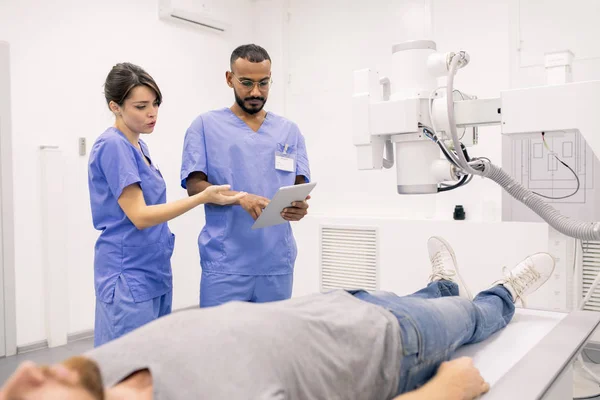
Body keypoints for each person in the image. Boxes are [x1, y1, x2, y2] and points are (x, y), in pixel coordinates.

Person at [0, 236, 555, 400]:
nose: (24, 377)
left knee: (424, 296)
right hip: (389, 345)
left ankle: (439, 282)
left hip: (333, 304)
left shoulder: (90, 373)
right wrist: (448, 391)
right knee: (468, 316)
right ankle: (505, 291)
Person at [88, 62, 246, 347]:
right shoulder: (113, 146)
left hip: (153, 269)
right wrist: (202, 197)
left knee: (153, 362)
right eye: (141, 106)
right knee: (125, 369)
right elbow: (139, 216)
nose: (152, 113)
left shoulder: (139, 147)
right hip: (127, 274)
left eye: (155, 104)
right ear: (115, 107)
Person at [180, 44, 312, 308]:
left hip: (276, 261)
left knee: (271, 345)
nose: (256, 92)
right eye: (246, 83)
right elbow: (194, 186)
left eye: (264, 83)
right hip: (226, 262)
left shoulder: (289, 130)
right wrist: (240, 197)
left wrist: (300, 207)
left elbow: (300, 184)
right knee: (222, 344)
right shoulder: (205, 126)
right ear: (230, 79)